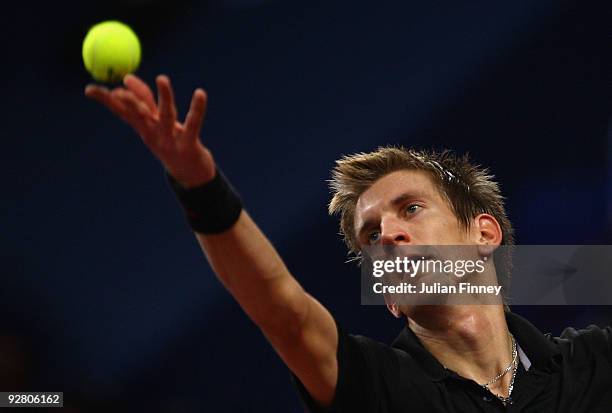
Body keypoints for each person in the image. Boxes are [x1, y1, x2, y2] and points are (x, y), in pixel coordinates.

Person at [85, 75, 612, 412]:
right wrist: (198, 184)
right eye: (371, 236)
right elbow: (280, 310)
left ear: (483, 234)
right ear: (386, 293)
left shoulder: (593, 362)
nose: (388, 235)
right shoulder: (376, 388)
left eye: (410, 208)